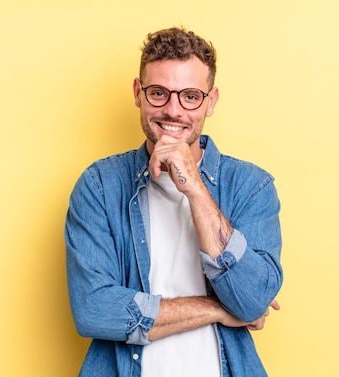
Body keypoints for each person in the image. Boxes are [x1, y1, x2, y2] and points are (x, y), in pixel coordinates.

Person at [65, 26, 283, 377]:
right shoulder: (100, 186)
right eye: (158, 93)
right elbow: (94, 309)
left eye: (190, 97)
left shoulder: (251, 187)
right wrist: (218, 308)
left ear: (210, 102)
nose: (173, 110)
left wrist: (195, 187)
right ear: (138, 93)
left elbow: (252, 300)